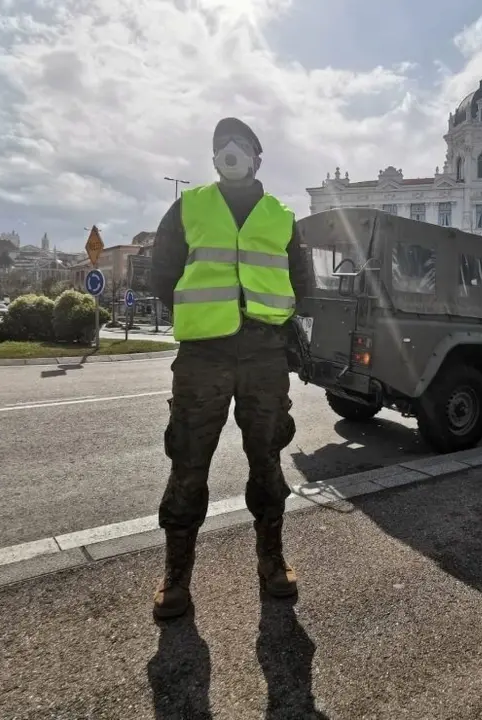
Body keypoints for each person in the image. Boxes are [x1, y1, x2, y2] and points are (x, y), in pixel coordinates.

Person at [149, 117, 311, 621]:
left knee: (266, 460)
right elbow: (162, 275)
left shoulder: (280, 216)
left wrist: (269, 322)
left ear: (257, 157)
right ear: (215, 157)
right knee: (189, 460)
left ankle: (271, 561)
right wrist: (205, 318)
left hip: (264, 354)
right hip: (204, 356)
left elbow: (300, 284)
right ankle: (177, 576)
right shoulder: (189, 207)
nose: (230, 151)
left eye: (239, 145)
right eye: (221, 145)